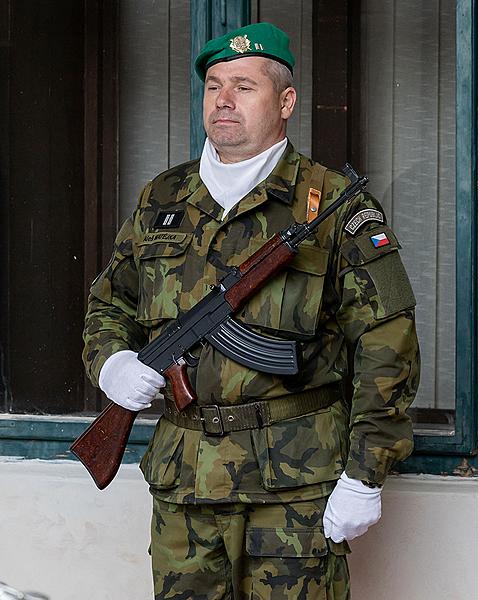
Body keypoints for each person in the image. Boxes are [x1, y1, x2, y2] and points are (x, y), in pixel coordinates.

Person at [82, 22, 419, 599]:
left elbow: (387, 344)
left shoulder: (333, 203)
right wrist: (114, 365)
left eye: (244, 86)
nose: (224, 101)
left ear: (285, 102)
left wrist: (366, 473)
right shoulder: (162, 198)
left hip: (295, 488)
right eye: (213, 86)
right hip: (185, 486)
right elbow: (110, 303)